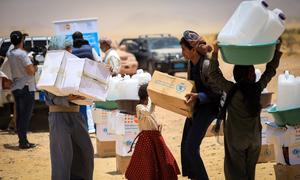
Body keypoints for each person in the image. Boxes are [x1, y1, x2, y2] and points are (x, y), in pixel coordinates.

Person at [209, 39, 282, 180]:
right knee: (250, 175)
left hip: (236, 140)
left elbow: (214, 74)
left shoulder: (231, 90)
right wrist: (276, 50)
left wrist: (215, 52)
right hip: (254, 140)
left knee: (235, 174)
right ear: (252, 75)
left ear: (236, 74)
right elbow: (270, 71)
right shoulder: (257, 88)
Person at [46, 36, 94, 180]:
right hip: (59, 117)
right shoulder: (50, 69)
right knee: (62, 158)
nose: (70, 51)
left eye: (69, 48)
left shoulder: (73, 66)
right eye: (67, 49)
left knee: (85, 153)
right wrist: (66, 98)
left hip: (76, 114)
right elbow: (49, 98)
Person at [179, 30, 222, 180]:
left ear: (192, 50)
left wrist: (198, 96)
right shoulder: (191, 63)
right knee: (186, 145)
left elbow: (218, 93)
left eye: (184, 49)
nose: (182, 53)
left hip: (210, 108)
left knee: (191, 147)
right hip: (196, 107)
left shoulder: (207, 65)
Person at [125, 83, 180, 180]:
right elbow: (147, 112)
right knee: (148, 165)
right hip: (147, 140)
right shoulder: (140, 107)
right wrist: (152, 99)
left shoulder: (151, 106)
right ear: (147, 95)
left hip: (156, 138)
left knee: (166, 162)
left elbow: (152, 119)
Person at [6, 31, 37, 149]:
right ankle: (23, 142)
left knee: (19, 115)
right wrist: (35, 68)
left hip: (16, 87)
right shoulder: (22, 54)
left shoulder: (10, 53)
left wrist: (21, 37)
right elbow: (30, 71)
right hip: (26, 87)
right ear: (22, 41)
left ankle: (22, 140)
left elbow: (12, 46)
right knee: (25, 116)